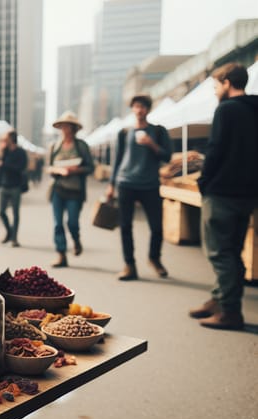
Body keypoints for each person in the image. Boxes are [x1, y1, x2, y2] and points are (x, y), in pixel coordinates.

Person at [188, 63, 258, 330]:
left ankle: (230, 311)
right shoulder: (254, 110)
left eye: (216, 85)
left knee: (220, 253)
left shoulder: (226, 109)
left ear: (227, 82)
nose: (215, 90)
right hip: (248, 194)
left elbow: (216, 150)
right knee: (234, 250)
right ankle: (219, 299)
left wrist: (204, 182)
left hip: (223, 192)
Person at [106, 94, 172, 281]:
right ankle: (129, 265)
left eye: (143, 106)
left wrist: (152, 144)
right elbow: (117, 160)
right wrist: (111, 184)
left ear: (148, 109)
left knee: (157, 226)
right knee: (125, 226)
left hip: (150, 184)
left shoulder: (158, 131)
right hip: (126, 182)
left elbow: (167, 156)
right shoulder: (124, 132)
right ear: (132, 109)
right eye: (136, 106)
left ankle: (154, 258)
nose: (139, 110)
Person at [47, 111, 94, 267]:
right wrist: (56, 170)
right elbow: (49, 167)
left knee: (72, 223)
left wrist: (75, 170)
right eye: (63, 126)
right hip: (58, 189)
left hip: (75, 191)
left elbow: (90, 167)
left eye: (68, 126)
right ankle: (61, 254)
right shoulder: (55, 146)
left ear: (74, 128)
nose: (65, 129)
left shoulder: (81, 146)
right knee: (57, 224)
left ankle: (76, 239)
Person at [0, 130, 28, 246]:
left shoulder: (20, 152)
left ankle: (14, 238)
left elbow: (21, 167)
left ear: (11, 138)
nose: (3, 139)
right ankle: (9, 232)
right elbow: (0, 166)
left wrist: (4, 165)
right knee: (1, 212)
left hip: (15, 186)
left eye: (5, 137)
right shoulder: (5, 151)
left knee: (16, 213)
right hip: (3, 185)